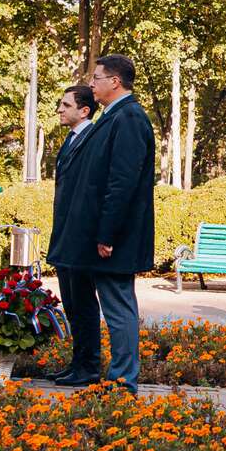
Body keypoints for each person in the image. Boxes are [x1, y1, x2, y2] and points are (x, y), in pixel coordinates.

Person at [47, 54, 157, 394]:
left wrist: (107, 234)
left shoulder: (130, 118)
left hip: (117, 238)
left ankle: (123, 381)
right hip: (102, 236)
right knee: (109, 303)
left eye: (97, 78)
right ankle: (105, 373)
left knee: (118, 306)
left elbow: (121, 183)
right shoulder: (114, 117)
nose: (91, 83)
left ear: (115, 82)